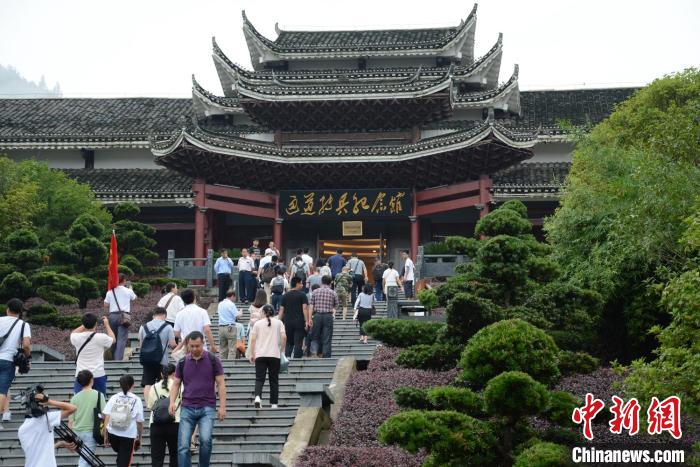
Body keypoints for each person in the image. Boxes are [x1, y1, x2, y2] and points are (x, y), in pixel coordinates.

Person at [169, 331, 227, 467]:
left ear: (203, 343)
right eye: (192, 346)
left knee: (205, 440)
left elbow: (221, 384)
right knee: (183, 445)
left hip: (207, 407)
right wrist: (172, 402)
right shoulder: (182, 362)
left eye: (197, 346)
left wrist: (222, 406)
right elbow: (176, 384)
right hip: (187, 407)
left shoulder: (213, 360)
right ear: (188, 345)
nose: (194, 349)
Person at [18, 388, 77, 467]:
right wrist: (49, 401)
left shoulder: (21, 429)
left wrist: (60, 443)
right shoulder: (46, 419)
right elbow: (73, 408)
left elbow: (38, 450)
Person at [0, 298, 31, 426]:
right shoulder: (23, 325)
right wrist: (28, 357)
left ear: (7, 309)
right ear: (20, 311)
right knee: (2, 391)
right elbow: (26, 345)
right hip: (8, 361)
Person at [249, 305, 286, 409]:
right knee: (274, 379)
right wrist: (281, 350)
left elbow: (253, 340)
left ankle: (257, 397)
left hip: (260, 354)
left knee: (259, 378)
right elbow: (284, 337)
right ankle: (274, 403)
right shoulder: (279, 323)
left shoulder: (257, 324)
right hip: (274, 355)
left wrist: (252, 353)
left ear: (264, 313)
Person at [103, 374, 144, 467]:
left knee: (121, 457)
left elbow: (107, 416)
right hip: (128, 436)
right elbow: (139, 422)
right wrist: (140, 437)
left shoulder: (114, 397)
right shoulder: (136, 400)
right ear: (133, 385)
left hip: (113, 434)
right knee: (124, 462)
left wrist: (105, 434)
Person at [146, 363, 181, 467]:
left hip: (156, 424)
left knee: (157, 458)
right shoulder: (180, 386)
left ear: (161, 374)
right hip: (175, 423)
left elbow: (150, 406)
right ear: (175, 373)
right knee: (175, 456)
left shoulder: (154, 387)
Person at [71, 313, 115, 395]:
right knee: (99, 400)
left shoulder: (76, 337)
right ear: (96, 324)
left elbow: (74, 332)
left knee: (79, 400)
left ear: (83, 324)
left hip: (81, 375)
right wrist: (107, 325)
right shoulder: (101, 337)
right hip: (98, 374)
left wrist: (85, 324)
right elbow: (113, 339)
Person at [69, 370, 105, 467]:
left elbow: (71, 421)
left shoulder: (74, 398)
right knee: (85, 461)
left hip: (76, 432)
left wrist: (71, 438)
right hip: (90, 432)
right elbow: (104, 415)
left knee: (86, 460)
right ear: (91, 380)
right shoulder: (99, 395)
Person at [139, 307, 176, 401]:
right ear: (165, 316)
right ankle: (162, 404)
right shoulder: (168, 327)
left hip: (148, 360)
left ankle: (149, 405)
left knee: (148, 383)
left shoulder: (143, 327)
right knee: (163, 382)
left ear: (153, 315)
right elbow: (172, 344)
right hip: (162, 360)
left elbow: (141, 345)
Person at [173, 288, 218, 355]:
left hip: (187, 347)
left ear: (183, 300)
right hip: (200, 347)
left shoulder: (179, 314)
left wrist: (184, 336)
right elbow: (207, 330)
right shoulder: (202, 312)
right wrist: (212, 346)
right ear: (194, 297)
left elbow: (176, 333)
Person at [104, 273, 137, 360]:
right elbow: (134, 298)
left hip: (112, 316)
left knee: (113, 337)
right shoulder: (128, 291)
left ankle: (113, 357)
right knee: (121, 339)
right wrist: (131, 289)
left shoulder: (110, 291)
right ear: (124, 281)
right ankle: (118, 360)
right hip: (124, 316)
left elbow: (106, 305)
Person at [277, 277, 310, 359]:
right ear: (297, 284)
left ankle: (287, 357)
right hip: (299, 322)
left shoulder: (285, 296)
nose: (302, 285)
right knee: (298, 341)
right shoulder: (302, 295)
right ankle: (297, 359)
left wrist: (278, 322)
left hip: (288, 322)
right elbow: (305, 308)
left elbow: (281, 310)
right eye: (301, 283)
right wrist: (307, 321)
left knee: (289, 341)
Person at [308, 275, 338, 358]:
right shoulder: (333, 293)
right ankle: (326, 355)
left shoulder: (315, 291)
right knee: (327, 337)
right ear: (330, 283)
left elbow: (311, 306)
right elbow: (336, 305)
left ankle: (314, 353)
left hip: (317, 315)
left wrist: (310, 318)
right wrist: (332, 310)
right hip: (328, 316)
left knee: (315, 335)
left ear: (321, 282)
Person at [217, 290, 240, 360]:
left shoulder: (220, 304)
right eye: (235, 297)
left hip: (221, 328)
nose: (235, 299)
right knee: (232, 349)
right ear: (232, 296)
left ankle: (222, 365)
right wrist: (240, 313)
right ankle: (230, 365)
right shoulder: (231, 304)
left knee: (222, 349)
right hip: (230, 327)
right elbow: (237, 316)